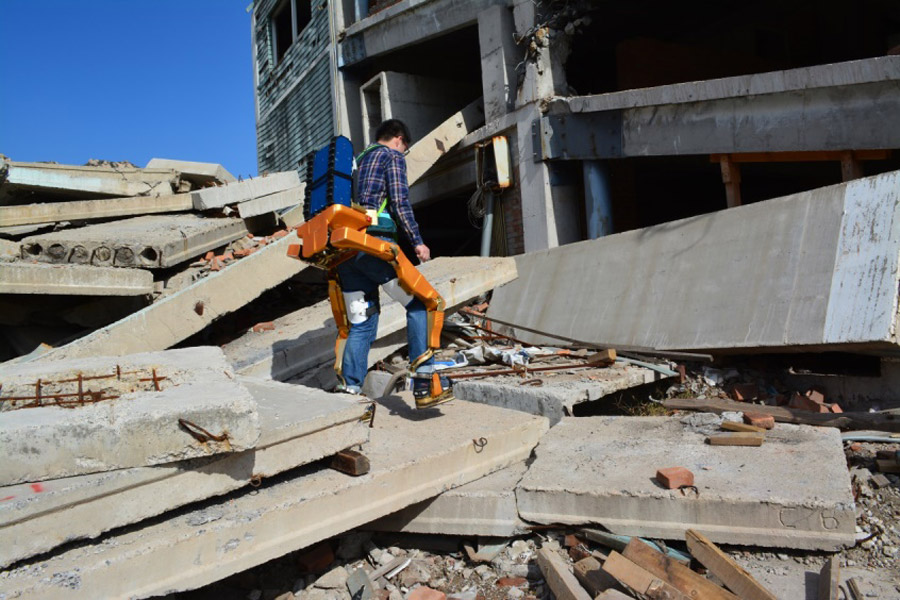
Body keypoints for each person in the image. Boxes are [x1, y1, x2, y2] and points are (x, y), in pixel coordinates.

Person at [335, 119, 433, 395]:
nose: (403, 154)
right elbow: (400, 201)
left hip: (346, 251)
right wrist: (417, 241)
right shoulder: (391, 156)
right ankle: (423, 374)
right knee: (419, 303)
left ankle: (350, 386)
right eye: (405, 149)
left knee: (362, 323)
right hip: (375, 246)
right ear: (399, 139)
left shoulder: (355, 163)